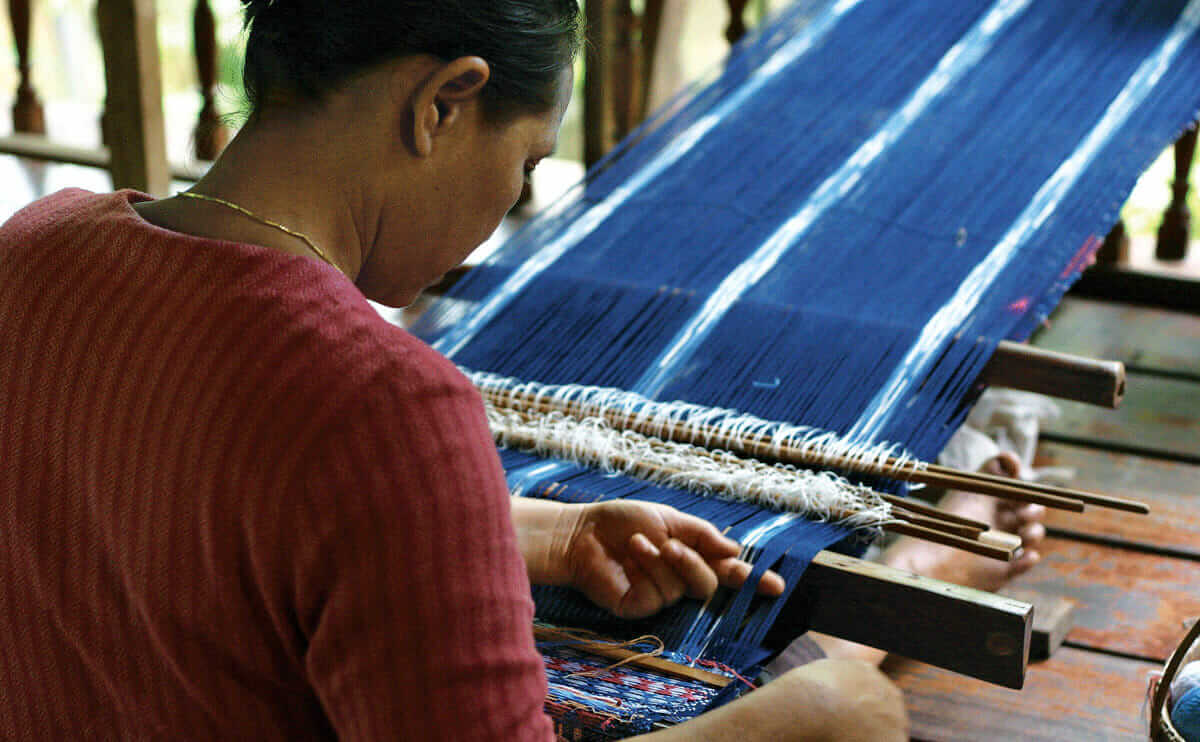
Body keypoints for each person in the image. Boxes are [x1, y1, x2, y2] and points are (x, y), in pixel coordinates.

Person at [0, 1, 908, 740]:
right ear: (443, 102)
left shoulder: (32, 252)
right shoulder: (386, 405)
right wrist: (806, 723)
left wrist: (536, 531)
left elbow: (170, 496)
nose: (510, 205)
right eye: (524, 164)